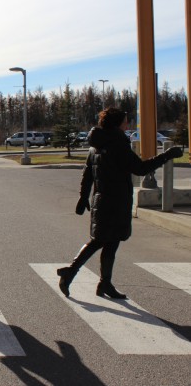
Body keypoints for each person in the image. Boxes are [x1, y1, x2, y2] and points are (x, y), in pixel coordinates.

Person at [57, 107, 183, 299]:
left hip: (102, 199)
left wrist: (83, 197)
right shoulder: (117, 144)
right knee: (101, 241)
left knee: (109, 242)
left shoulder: (96, 145)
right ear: (117, 124)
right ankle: (71, 272)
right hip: (115, 201)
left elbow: (88, 173)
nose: (127, 124)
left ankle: (104, 283)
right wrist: (167, 156)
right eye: (125, 121)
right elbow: (140, 169)